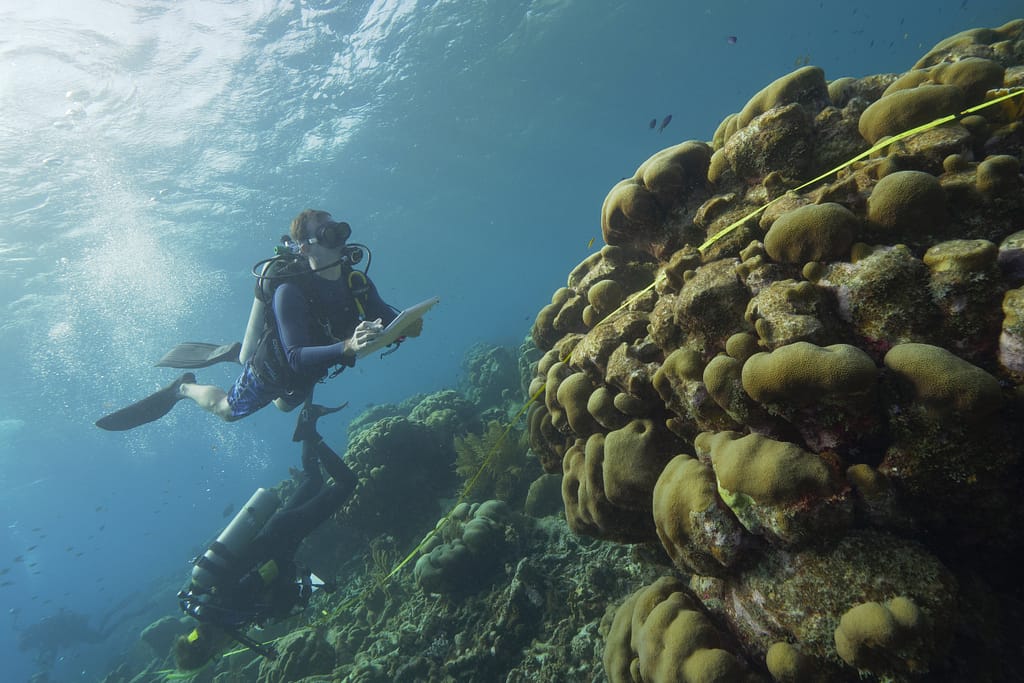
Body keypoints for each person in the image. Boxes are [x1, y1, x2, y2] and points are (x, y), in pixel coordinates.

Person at [96, 209, 422, 430]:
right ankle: (184, 388)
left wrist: (406, 327)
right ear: (306, 249)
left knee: (284, 407)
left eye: (337, 229)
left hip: (316, 362)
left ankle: (241, 351)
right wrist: (349, 345)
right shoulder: (289, 291)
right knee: (227, 412)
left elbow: (392, 321)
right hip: (276, 366)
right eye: (326, 233)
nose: (337, 236)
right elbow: (295, 357)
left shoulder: (356, 283)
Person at [173, 401, 357, 668]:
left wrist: (302, 586)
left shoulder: (229, 607)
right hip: (277, 529)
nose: (221, 652)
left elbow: (272, 569)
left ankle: (311, 434)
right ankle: (309, 418)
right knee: (313, 480)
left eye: (214, 654)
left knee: (346, 484)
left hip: (285, 532)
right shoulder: (213, 607)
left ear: (209, 646)